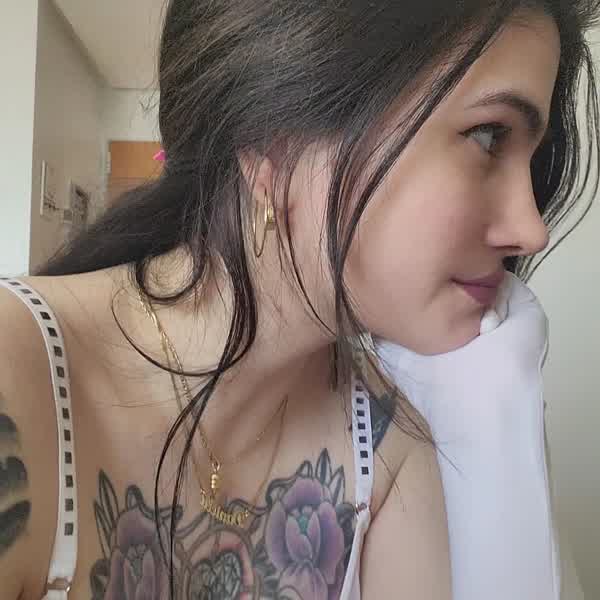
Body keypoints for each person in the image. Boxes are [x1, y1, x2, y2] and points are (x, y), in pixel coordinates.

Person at [1, 1, 599, 598]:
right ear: (274, 142)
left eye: (530, 160)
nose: (531, 230)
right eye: (489, 136)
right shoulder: (18, 375)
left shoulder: (389, 457)